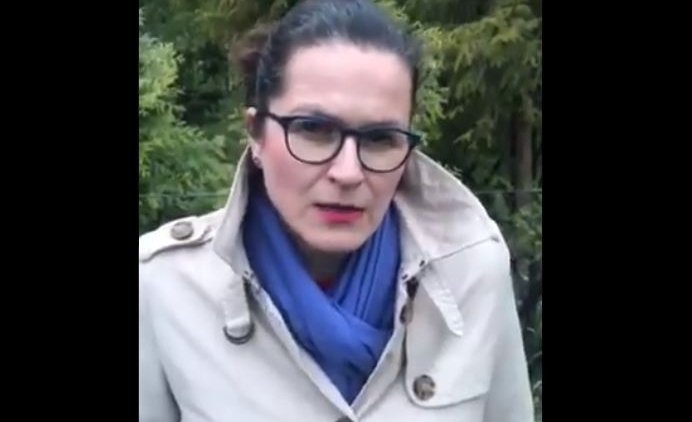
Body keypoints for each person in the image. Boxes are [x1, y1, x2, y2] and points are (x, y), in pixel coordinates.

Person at [138, 0, 535, 421]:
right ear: (255, 134)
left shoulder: (471, 273)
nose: (348, 173)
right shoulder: (164, 288)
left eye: (380, 138)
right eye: (313, 130)